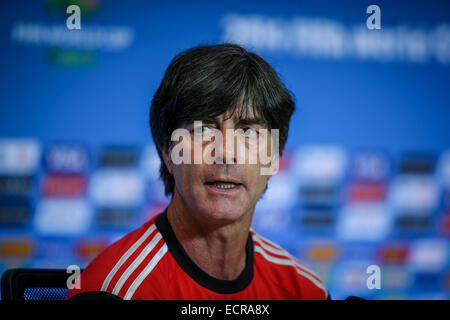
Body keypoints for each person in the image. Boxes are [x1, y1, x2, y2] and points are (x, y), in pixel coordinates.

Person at [67, 43, 328, 300]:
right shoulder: (115, 291)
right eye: (203, 130)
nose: (226, 152)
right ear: (168, 154)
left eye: (248, 131)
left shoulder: (305, 291)